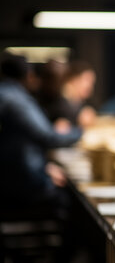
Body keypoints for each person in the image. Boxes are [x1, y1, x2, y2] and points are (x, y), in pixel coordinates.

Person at [0, 52, 82, 206]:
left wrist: (43, 167)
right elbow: (47, 137)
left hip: (10, 176)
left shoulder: (6, 94)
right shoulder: (16, 100)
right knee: (69, 199)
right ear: (28, 75)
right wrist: (81, 132)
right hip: (17, 183)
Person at [42, 60, 97, 128]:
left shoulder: (77, 101)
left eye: (92, 82)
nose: (90, 86)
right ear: (73, 80)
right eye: (87, 81)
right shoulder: (59, 102)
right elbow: (61, 127)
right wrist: (78, 119)